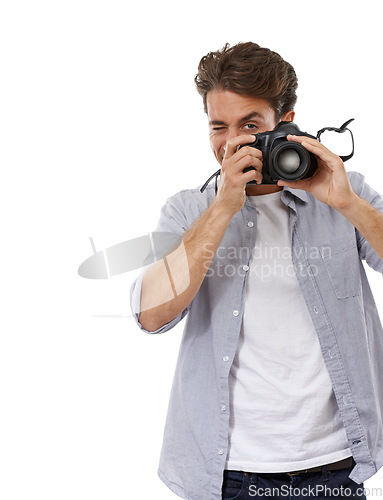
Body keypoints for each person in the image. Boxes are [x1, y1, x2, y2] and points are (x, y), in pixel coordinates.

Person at [130, 42, 383, 500]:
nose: (232, 142)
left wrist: (348, 203)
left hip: (336, 467)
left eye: (250, 125)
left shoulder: (344, 192)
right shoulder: (190, 209)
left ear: (285, 123)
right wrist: (223, 207)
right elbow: (151, 315)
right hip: (226, 473)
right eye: (218, 127)